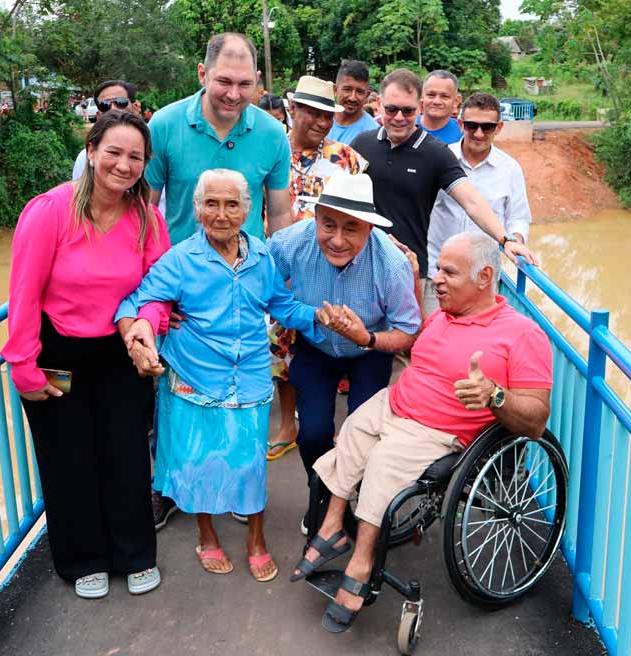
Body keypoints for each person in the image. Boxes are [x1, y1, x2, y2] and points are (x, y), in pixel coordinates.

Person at [291, 231, 553, 632]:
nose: (439, 280)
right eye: (438, 269)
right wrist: (368, 332)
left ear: (484, 277)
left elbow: (536, 420)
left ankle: (361, 564)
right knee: (354, 430)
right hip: (395, 405)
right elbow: (416, 350)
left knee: (383, 461)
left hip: (438, 430)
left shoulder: (522, 334)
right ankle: (332, 526)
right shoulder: (444, 316)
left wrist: (494, 394)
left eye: (450, 272)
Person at [115, 169, 356, 582]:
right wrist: (139, 332)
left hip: (249, 377)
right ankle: (207, 536)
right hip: (194, 375)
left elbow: (283, 305)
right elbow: (140, 299)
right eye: (211, 204)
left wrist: (318, 316)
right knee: (199, 461)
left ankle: (256, 540)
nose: (221, 214)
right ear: (197, 210)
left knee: (249, 464)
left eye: (231, 205)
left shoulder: (260, 256)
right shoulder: (181, 259)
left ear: (247, 211)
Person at [2, 110, 169, 600]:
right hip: (59, 351)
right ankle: (83, 558)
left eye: (135, 157)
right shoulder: (51, 211)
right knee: (67, 455)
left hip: (120, 351)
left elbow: (159, 287)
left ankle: (134, 554)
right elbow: (24, 292)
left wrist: (147, 324)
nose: (124, 165)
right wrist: (22, 365)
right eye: (113, 152)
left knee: (127, 452)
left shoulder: (146, 218)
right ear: (92, 151)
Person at [269, 172, 421, 529]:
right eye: (328, 225)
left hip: (370, 351)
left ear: (370, 227)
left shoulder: (391, 264)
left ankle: (361, 503)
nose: (337, 240)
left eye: (351, 228)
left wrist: (366, 338)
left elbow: (408, 330)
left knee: (363, 434)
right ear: (315, 217)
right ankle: (322, 498)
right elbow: (264, 286)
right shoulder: (289, 243)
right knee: (313, 432)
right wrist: (306, 314)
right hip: (316, 345)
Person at [348, 68, 538, 316]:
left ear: (419, 108)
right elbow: (339, 199)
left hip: (412, 270)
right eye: (392, 109)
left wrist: (507, 240)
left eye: (408, 111)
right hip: (361, 265)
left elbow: (471, 201)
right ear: (379, 104)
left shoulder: (436, 153)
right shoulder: (361, 144)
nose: (399, 117)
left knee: (411, 337)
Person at [265, 76, 370, 462]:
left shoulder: (346, 158)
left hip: (333, 269)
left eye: (328, 115)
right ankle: (288, 425)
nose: (322, 122)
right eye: (312, 113)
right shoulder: (272, 152)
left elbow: (362, 210)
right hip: (280, 268)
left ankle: (335, 425)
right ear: (293, 110)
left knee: (332, 337)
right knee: (280, 346)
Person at [146, 33, 293, 244]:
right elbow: (145, 210)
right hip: (180, 261)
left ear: (257, 79)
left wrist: (280, 263)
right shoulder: (164, 126)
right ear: (202, 74)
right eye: (224, 81)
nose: (233, 95)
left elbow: (279, 215)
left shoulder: (273, 134)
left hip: (248, 262)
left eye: (244, 84)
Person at [426, 92, 532, 315]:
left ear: (499, 127)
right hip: (437, 273)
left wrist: (514, 241)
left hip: (482, 280)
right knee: (433, 331)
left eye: (487, 127)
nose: (479, 133)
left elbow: (518, 217)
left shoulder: (509, 169)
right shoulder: (439, 159)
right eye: (471, 125)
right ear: (460, 124)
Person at [71, 80, 140, 180]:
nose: (113, 109)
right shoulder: (85, 158)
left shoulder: (156, 148)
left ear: (136, 107)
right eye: (105, 105)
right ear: (98, 116)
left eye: (121, 102)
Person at [328, 60, 380, 145]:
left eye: (360, 92)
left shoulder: (373, 133)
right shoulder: (319, 120)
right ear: (335, 90)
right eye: (347, 89)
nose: (353, 98)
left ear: (367, 96)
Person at [417, 70, 463, 145]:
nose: (437, 102)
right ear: (421, 97)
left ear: (456, 101)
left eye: (444, 96)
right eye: (431, 95)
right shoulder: (407, 128)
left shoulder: (463, 133)